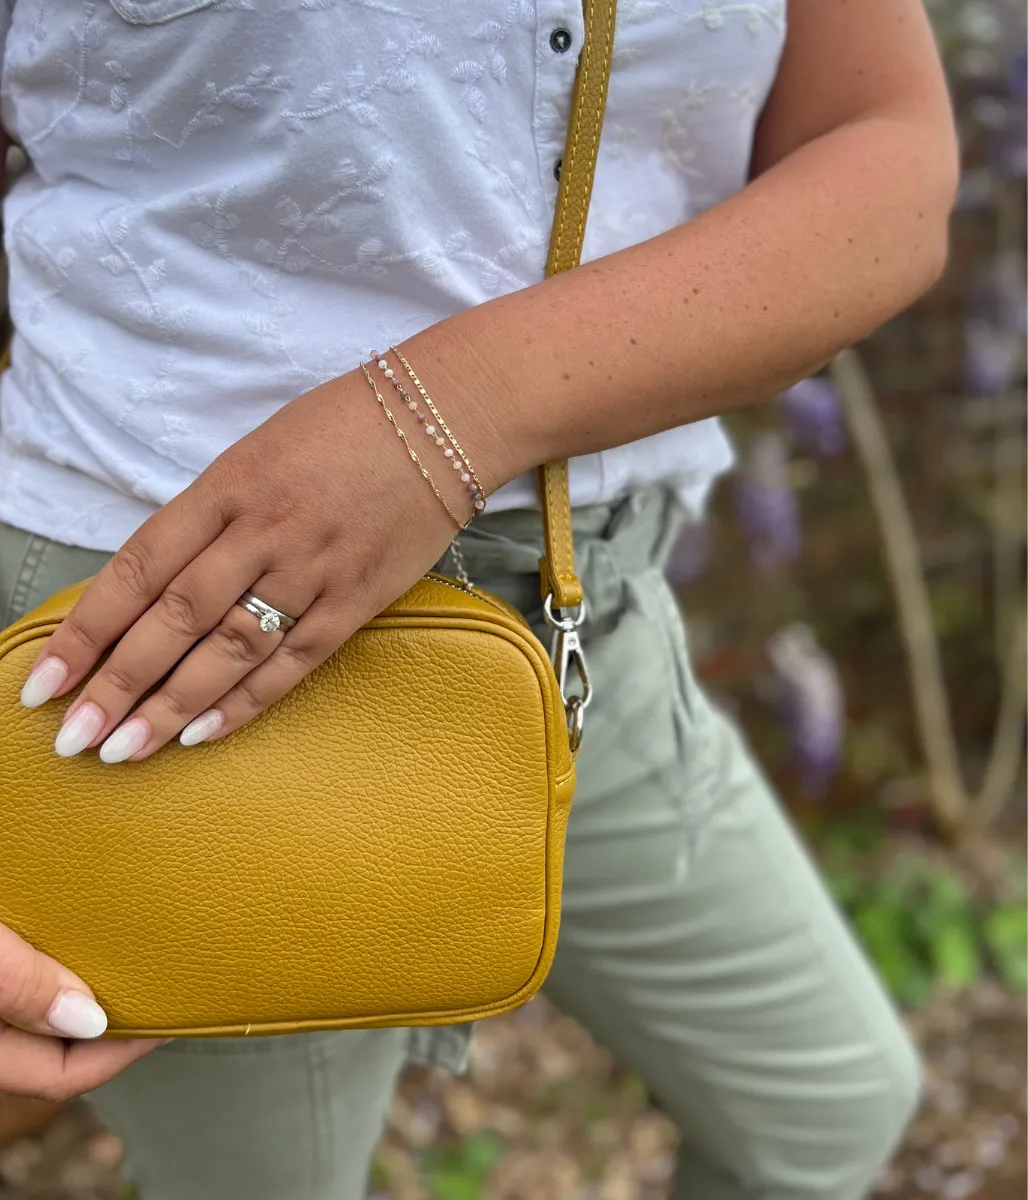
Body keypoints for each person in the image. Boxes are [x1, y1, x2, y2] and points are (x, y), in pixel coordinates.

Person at [0, 1, 957, 1197]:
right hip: (172, 658)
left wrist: (441, 414)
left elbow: (886, 145)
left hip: (576, 617)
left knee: (819, 1107)